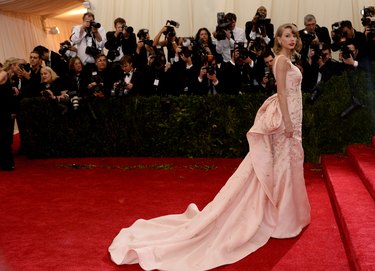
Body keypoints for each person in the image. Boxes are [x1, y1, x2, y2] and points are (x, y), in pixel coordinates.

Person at [108, 23, 311, 271]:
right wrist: (288, 122)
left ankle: (285, 215)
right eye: (287, 35)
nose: (291, 39)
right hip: (285, 120)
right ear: (278, 39)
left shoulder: (288, 60)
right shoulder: (280, 61)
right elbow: (280, 92)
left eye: (294, 35)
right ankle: (281, 220)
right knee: (280, 167)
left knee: (285, 166)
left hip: (293, 118)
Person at [0, 57, 20, 171]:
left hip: (4, 111)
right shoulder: (4, 74)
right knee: (3, 137)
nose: (18, 68)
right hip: (3, 110)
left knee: (4, 138)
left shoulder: (5, 75)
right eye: (17, 65)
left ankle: (6, 163)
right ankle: (6, 163)